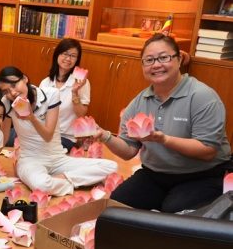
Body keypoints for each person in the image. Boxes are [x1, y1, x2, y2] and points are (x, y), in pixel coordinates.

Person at [96, 34, 231, 213]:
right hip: (155, 173)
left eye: (164, 57)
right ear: (143, 66)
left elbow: (207, 151)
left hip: (202, 174)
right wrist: (105, 136)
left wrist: (164, 139)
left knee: (174, 209)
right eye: (149, 60)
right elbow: (129, 150)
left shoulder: (202, 97)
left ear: (179, 59)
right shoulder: (139, 102)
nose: (156, 65)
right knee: (119, 203)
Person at [0, 66, 118, 196]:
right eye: (6, 91)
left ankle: (63, 179)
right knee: (42, 185)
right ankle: (71, 181)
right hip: (30, 160)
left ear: (25, 79)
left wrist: (31, 117)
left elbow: (48, 135)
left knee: (111, 167)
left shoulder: (50, 94)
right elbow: (3, 137)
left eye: (14, 85)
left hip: (58, 159)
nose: (12, 93)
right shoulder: (7, 102)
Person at [39, 38, 91, 151]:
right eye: (65, 54)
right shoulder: (46, 82)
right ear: (57, 55)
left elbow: (81, 114)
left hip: (65, 137)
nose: (68, 59)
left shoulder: (81, 82)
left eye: (73, 56)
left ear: (77, 60)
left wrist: (74, 92)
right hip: (44, 133)